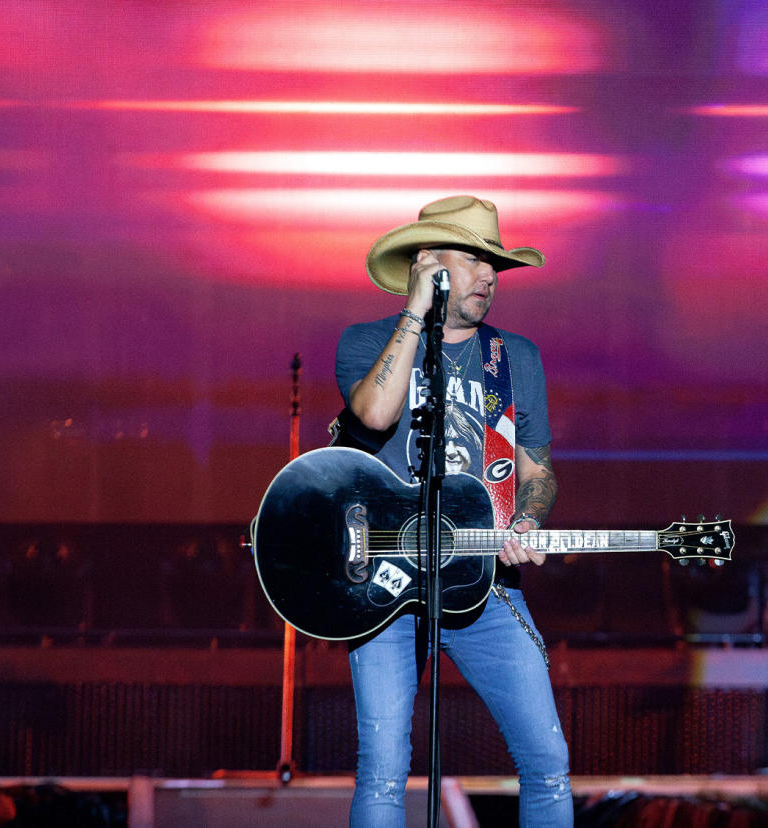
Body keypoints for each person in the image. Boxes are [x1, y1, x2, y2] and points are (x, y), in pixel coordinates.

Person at [334, 195, 572, 826]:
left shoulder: (515, 358)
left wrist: (528, 520)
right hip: (384, 582)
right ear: (427, 264)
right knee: (384, 770)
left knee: (547, 761)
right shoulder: (364, 343)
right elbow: (375, 416)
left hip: (487, 580)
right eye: (473, 259)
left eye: (495, 264)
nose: (490, 276)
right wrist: (416, 310)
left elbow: (537, 470)